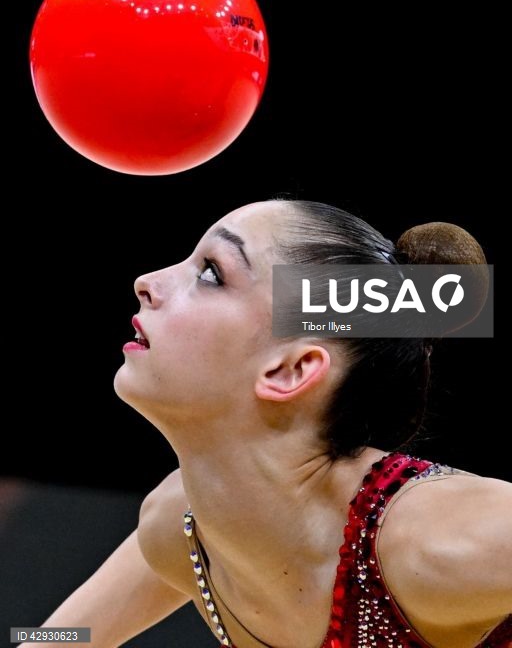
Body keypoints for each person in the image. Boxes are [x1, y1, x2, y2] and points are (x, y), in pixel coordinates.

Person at [27, 200, 511, 648]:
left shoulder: (441, 541)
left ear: (290, 371)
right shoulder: (182, 525)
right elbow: (63, 637)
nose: (147, 280)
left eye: (212, 273)